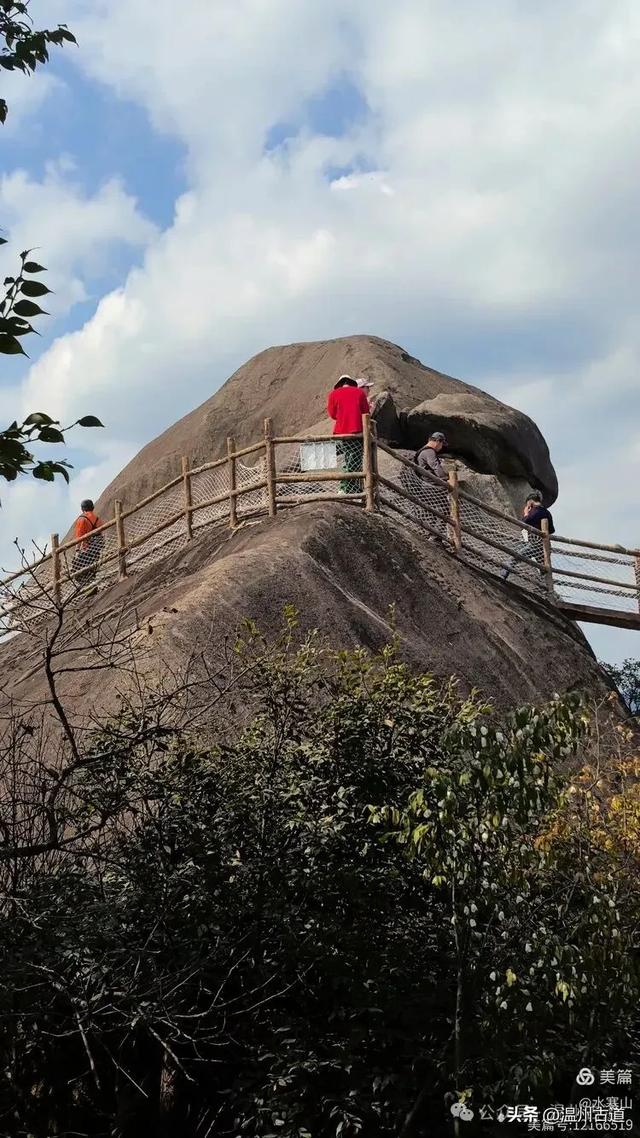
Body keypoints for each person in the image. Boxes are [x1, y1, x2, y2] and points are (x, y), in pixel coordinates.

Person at [400, 431, 450, 539]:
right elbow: (435, 466)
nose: (441, 448)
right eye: (442, 444)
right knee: (445, 509)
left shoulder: (421, 451)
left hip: (424, 485)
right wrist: (446, 480)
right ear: (438, 441)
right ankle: (435, 535)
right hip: (431, 486)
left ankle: (431, 533)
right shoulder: (429, 452)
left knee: (431, 511)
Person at [500, 491, 555, 586]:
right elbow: (552, 530)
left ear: (530, 502)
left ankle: (502, 577)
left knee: (514, 557)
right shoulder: (547, 513)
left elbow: (524, 523)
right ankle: (547, 589)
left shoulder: (534, 512)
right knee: (543, 569)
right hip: (544, 547)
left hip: (534, 545)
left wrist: (526, 513)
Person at [327, 376, 370, 494]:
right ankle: (345, 487)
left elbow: (332, 414)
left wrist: (342, 417)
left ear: (340, 384)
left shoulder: (333, 394)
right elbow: (366, 412)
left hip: (340, 431)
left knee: (348, 458)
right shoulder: (359, 393)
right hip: (356, 430)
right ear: (351, 383)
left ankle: (350, 486)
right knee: (354, 459)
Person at [72, 498, 104, 591]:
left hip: (88, 548)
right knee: (91, 569)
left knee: (77, 569)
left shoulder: (82, 519)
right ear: (93, 508)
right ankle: (92, 587)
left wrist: (77, 550)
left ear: (82, 509)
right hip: (97, 548)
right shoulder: (97, 519)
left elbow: (79, 537)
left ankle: (88, 589)